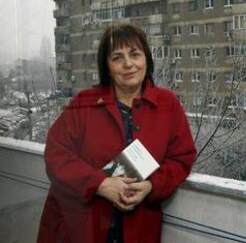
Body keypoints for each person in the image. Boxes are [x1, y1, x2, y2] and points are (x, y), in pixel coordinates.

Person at [37, 24, 196, 242]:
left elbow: (182, 158)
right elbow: (56, 155)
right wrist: (99, 184)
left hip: (138, 227)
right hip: (81, 228)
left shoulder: (167, 104)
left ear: (146, 60)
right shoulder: (85, 103)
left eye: (135, 55)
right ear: (107, 67)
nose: (128, 64)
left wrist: (152, 186)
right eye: (117, 57)